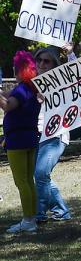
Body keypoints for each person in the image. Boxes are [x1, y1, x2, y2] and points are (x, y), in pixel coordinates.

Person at [1, 51, 41, 234]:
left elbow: (8, 105)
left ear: (18, 69)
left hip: (17, 141)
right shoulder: (31, 88)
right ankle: (32, 217)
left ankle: (28, 220)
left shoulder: (22, 90)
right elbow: (8, 95)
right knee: (29, 181)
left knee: (21, 182)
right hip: (31, 138)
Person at [33, 47, 72, 223]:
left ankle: (40, 214)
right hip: (38, 135)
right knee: (43, 176)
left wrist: (70, 52)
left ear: (54, 64)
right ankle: (61, 211)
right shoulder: (33, 82)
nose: (41, 63)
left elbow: (79, 77)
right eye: (39, 60)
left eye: (46, 61)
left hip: (56, 135)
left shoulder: (62, 82)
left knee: (41, 174)